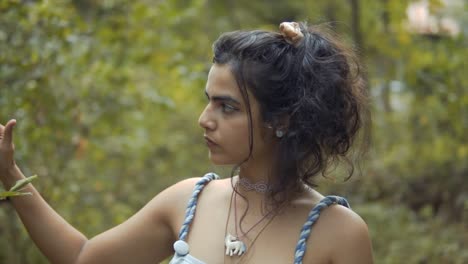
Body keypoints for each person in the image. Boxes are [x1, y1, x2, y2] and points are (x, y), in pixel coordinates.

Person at [0, 22, 373, 263]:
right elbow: (84, 258)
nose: (204, 119)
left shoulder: (339, 233)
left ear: (281, 120)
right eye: (208, 99)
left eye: (227, 107)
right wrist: (10, 175)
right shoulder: (189, 201)